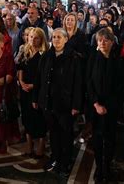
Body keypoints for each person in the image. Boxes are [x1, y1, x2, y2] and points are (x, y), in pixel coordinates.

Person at [33, 28, 82, 177]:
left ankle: (65, 163)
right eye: (54, 37)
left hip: (65, 104)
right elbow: (39, 79)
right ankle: (55, 158)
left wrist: (76, 105)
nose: (56, 40)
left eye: (59, 37)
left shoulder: (74, 58)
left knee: (66, 135)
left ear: (66, 39)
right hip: (48, 102)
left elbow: (78, 83)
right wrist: (36, 98)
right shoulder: (46, 56)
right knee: (53, 134)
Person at [86, 28, 123, 182]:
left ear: (112, 42)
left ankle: (107, 167)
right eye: (100, 40)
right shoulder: (92, 58)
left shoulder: (117, 60)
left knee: (110, 138)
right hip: (95, 107)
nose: (102, 43)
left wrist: (108, 106)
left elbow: (119, 86)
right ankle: (99, 167)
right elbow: (88, 82)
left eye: (106, 40)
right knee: (96, 138)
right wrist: (96, 104)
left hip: (111, 108)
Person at [17, 28, 48, 158]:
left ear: (41, 39)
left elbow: (46, 76)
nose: (32, 40)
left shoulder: (45, 54)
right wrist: (21, 82)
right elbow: (20, 68)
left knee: (39, 118)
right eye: (30, 37)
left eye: (36, 37)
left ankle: (41, 146)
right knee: (27, 117)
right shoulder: (25, 51)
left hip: (38, 90)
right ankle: (29, 146)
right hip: (25, 89)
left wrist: (34, 86)